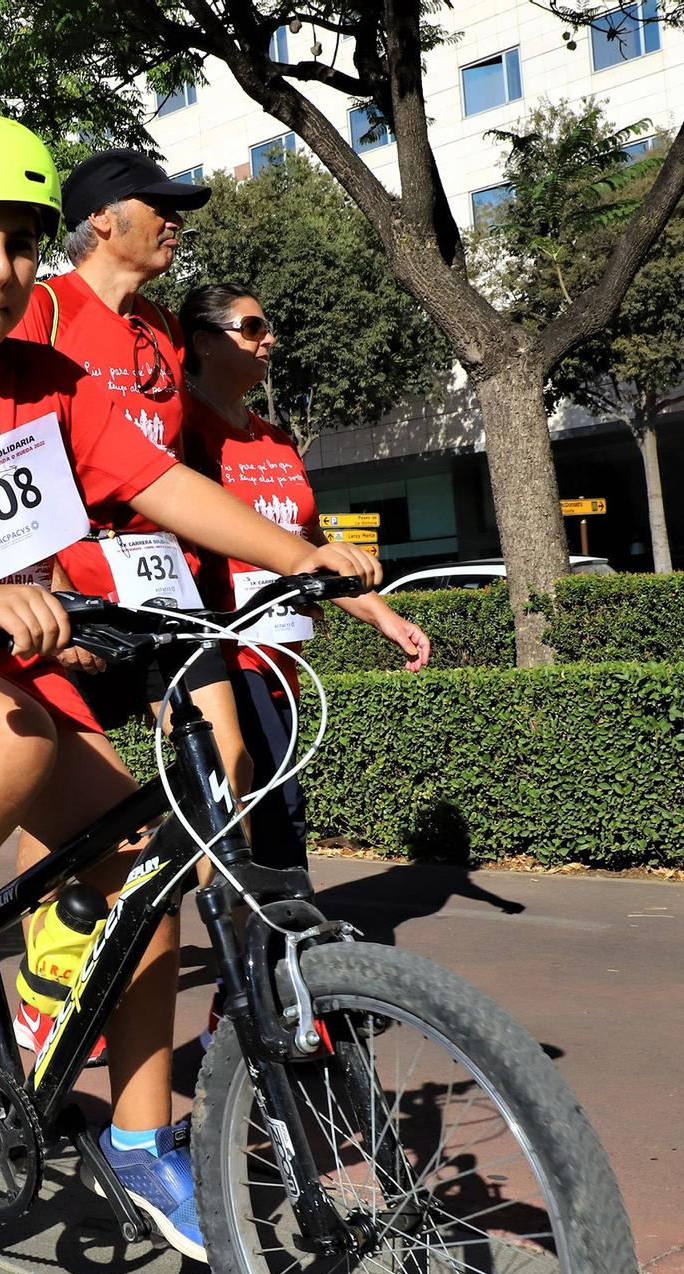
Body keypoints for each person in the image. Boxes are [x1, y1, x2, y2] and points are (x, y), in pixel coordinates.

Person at [0, 112, 378, 1258]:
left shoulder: (53, 380)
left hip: (1, 663)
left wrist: (290, 552)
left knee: (149, 869)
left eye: (17, 241)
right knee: (4, 746)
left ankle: (140, 1131)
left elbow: (152, 479)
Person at [3, 148, 232, 1060]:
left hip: (164, 584)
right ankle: (47, 982)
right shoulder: (45, 308)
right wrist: (39, 587)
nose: (176, 219)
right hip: (71, 590)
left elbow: (184, 467)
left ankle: (239, 984)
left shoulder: (166, 329)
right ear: (102, 218)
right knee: (63, 802)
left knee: (226, 761)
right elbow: (10, 443)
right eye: (159, 205)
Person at [179, 283, 429, 867]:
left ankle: (268, 943)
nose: (269, 340)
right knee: (262, 807)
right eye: (251, 328)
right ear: (205, 343)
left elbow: (309, 548)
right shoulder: (180, 429)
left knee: (277, 807)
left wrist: (385, 617)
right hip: (223, 647)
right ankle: (274, 941)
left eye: (268, 329)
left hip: (283, 652)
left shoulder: (276, 437)